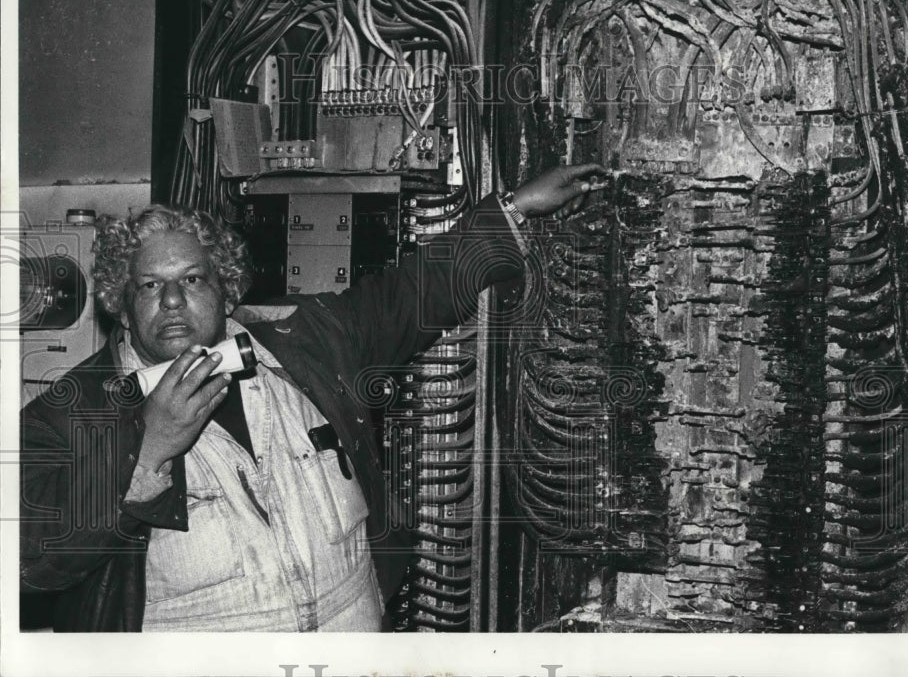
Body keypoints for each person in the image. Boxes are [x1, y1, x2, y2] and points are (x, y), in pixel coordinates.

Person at [19, 164, 606, 632]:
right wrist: (144, 454)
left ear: (227, 290)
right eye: (150, 285)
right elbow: (27, 561)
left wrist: (513, 210)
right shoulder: (70, 412)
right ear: (122, 303)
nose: (173, 301)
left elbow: (410, 292)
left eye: (193, 279)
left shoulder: (307, 347)